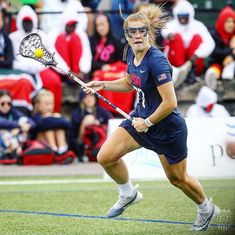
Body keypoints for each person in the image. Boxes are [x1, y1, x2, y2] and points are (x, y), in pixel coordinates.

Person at [85, 4, 221, 231]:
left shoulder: (157, 61)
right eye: (132, 32)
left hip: (166, 127)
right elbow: (129, 83)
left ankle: (206, 208)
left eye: (141, 31)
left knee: (178, 179)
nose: (137, 36)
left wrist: (147, 122)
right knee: (106, 156)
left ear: (149, 33)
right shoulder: (130, 53)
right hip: (141, 118)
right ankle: (128, 194)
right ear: (126, 35)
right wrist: (103, 84)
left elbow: (170, 103)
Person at [9, 5, 62, 113]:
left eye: (29, 22)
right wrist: (28, 67)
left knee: (55, 82)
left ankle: (54, 113)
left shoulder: (41, 34)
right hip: (22, 71)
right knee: (24, 85)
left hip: (41, 68)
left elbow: (52, 53)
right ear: (20, 22)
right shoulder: (13, 37)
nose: (27, 25)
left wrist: (65, 70)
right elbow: (13, 60)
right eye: (25, 22)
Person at [161, 0, 215, 88]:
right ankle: (179, 72)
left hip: (194, 63)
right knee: (176, 37)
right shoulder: (172, 25)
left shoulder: (198, 25)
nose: (182, 18)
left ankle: (190, 72)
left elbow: (210, 43)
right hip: (176, 63)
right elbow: (165, 30)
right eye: (180, 16)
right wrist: (169, 35)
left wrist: (197, 54)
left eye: (185, 16)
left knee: (197, 38)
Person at [69, 90, 112, 162]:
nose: (89, 99)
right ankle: (83, 153)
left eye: (91, 96)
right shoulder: (76, 114)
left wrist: (98, 124)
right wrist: (84, 124)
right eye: (86, 97)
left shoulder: (103, 112)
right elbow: (73, 136)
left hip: (102, 144)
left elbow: (112, 125)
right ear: (82, 99)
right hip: (83, 144)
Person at [31, 89, 71, 156]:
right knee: (48, 129)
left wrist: (53, 118)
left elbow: (67, 125)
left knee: (59, 128)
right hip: (41, 143)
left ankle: (62, 149)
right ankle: (53, 149)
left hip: (56, 142)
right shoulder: (36, 116)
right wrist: (51, 119)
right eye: (46, 104)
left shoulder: (55, 115)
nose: (49, 107)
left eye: (51, 104)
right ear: (38, 105)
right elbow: (41, 125)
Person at [205, 6, 235, 90]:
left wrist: (232, 57)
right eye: (227, 21)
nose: (231, 24)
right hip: (217, 62)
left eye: (233, 21)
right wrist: (232, 50)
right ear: (222, 21)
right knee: (213, 70)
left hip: (231, 63)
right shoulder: (213, 33)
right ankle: (212, 76)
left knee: (228, 71)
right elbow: (215, 52)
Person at [0, 89, 35, 159]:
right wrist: (19, 125)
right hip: (3, 141)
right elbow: (2, 123)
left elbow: (32, 123)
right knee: (4, 132)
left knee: (24, 132)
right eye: (2, 103)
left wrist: (20, 130)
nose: (6, 106)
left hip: (13, 139)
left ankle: (13, 152)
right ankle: (11, 152)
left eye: (9, 103)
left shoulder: (13, 112)